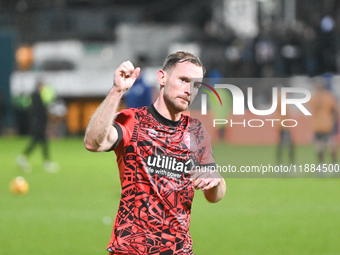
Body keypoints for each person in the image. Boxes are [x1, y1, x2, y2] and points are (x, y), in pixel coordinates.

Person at [84, 51, 226, 254]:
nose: (189, 90)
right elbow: (93, 143)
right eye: (183, 80)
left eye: (195, 85)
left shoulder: (196, 131)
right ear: (162, 77)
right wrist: (116, 91)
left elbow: (215, 196)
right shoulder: (132, 121)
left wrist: (216, 180)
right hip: (131, 249)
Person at [16, 80, 59, 173]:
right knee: (40, 142)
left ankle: (23, 158)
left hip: (39, 123)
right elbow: (39, 110)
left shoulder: (39, 96)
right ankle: (46, 162)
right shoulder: (35, 96)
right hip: (37, 124)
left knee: (37, 142)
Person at [309, 77, 339, 164]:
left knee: (320, 147)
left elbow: (308, 106)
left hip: (319, 126)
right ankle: (333, 164)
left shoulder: (314, 96)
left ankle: (322, 166)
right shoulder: (329, 96)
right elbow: (335, 111)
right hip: (326, 125)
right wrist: (333, 121)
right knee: (329, 146)